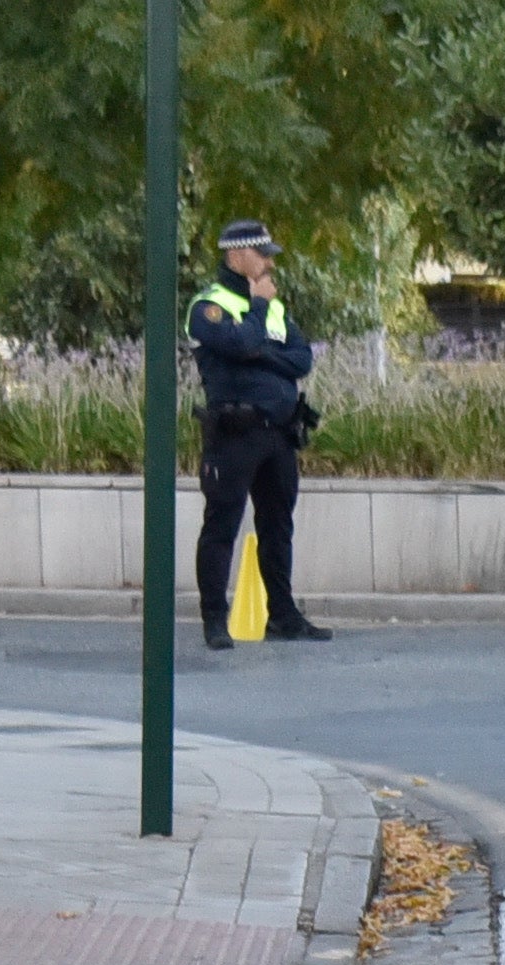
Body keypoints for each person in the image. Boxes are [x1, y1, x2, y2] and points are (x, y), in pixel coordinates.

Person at [189, 219, 329, 649]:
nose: (269, 261)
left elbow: (301, 359)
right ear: (237, 256)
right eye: (262, 254)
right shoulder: (210, 306)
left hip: (279, 435)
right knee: (221, 526)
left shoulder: (272, 306)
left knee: (278, 527)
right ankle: (215, 619)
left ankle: (283, 616)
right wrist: (259, 316)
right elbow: (242, 344)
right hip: (235, 434)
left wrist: (259, 350)